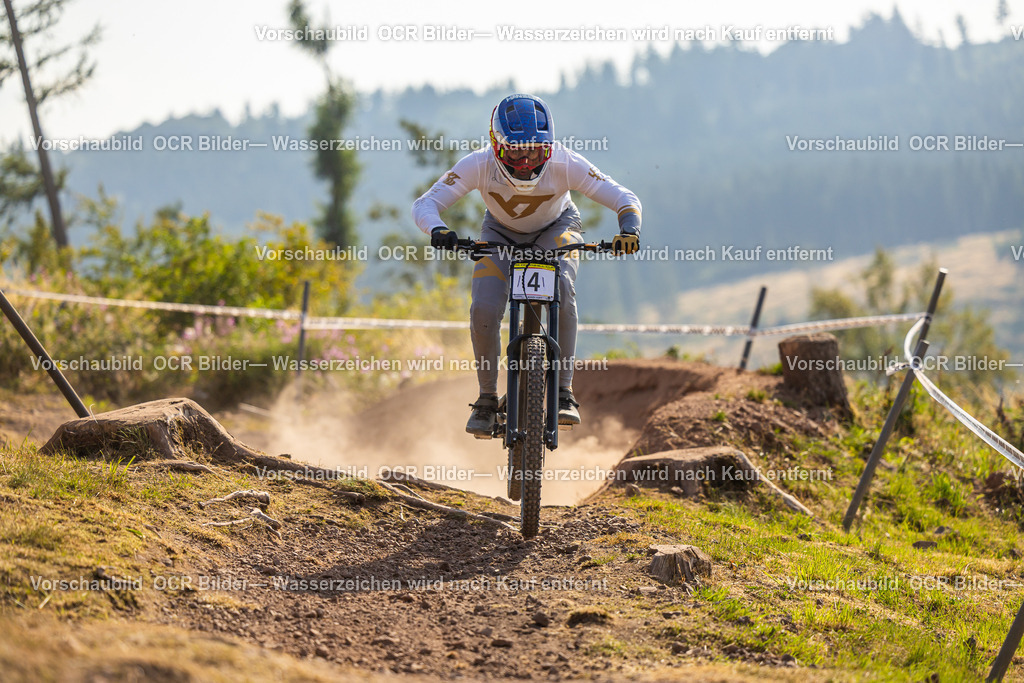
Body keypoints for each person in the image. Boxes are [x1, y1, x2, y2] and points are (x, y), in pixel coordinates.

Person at [412, 93, 641, 437]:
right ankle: (486, 399)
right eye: (516, 151)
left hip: (558, 228)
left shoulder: (566, 162)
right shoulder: (478, 164)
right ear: (496, 146)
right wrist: (438, 230)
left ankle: (564, 391)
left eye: (535, 151)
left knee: (563, 288)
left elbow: (625, 198)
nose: (525, 162)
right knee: (484, 307)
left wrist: (629, 230)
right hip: (498, 233)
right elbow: (425, 204)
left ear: (549, 147)